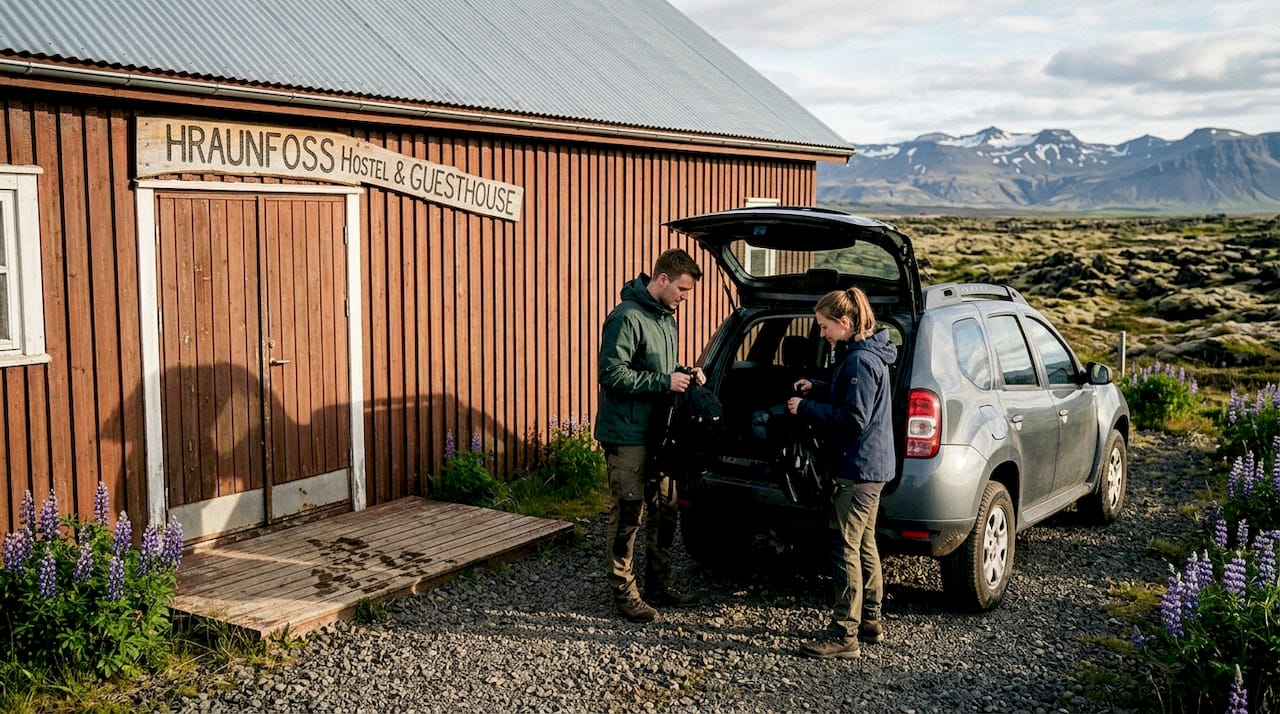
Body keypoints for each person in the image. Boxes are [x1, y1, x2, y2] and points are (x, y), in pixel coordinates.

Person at [786, 287, 897, 658]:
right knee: (865, 543)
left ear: (845, 322)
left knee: (845, 548)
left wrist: (806, 408)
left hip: (857, 469)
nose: (822, 333)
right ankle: (870, 620)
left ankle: (844, 635)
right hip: (872, 468)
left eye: (824, 326)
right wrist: (816, 388)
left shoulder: (859, 362)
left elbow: (854, 419)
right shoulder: (862, 356)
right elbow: (850, 398)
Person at [594, 248, 705, 622]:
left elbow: (657, 365)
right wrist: (664, 380)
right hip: (627, 434)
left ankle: (659, 583)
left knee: (665, 508)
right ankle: (623, 592)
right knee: (628, 512)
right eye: (682, 290)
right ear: (662, 280)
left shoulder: (664, 318)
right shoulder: (625, 318)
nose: (683, 298)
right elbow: (611, 374)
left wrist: (684, 373)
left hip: (659, 432)